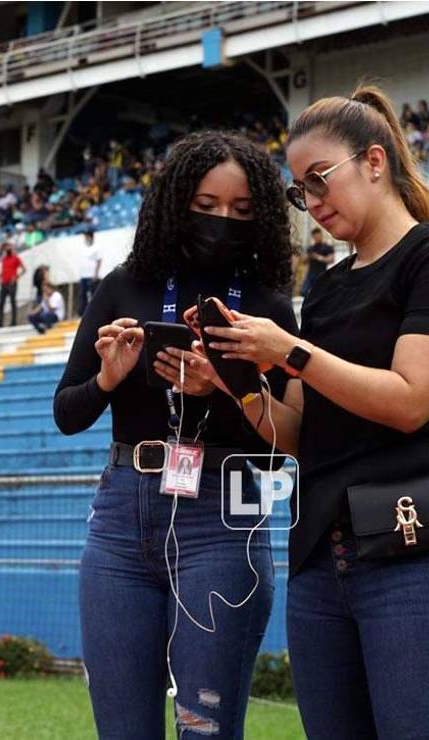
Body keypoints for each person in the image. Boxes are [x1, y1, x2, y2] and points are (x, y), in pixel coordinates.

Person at [192, 85, 429, 738]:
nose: (311, 203)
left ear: (373, 161)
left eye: (319, 180)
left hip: (416, 552)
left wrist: (291, 352)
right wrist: (235, 381)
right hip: (320, 564)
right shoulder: (327, 288)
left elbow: (410, 401)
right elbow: (294, 439)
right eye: (299, 190)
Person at [53, 130, 299, 739]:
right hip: (121, 517)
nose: (222, 221)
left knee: (205, 728)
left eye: (241, 211)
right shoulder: (123, 286)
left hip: (223, 519)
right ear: (175, 201)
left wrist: (224, 386)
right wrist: (108, 379)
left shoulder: (269, 306)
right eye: (207, 205)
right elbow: (67, 412)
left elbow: (284, 442)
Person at [300, 227, 335, 297]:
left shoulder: (327, 247)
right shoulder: (310, 248)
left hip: (321, 274)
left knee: (320, 293)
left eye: (318, 236)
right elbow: (303, 261)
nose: (316, 238)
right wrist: (308, 256)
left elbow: (331, 260)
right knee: (303, 291)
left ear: (321, 235)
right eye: (315, 236)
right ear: (313, 237)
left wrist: (318, 257)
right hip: (310, 274)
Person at [0, 243, 25, 327]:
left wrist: (16, 277)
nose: (8, 249)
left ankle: (13, 322)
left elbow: (24, 269)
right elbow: (3, 270)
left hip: (11, 283)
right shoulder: (3, 259)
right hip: (3, 283)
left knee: (13, 302)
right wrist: (0, 277)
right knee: (1, 303)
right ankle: (0, 322)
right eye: (6, 248)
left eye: (9, 247)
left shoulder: (16, 258)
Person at [79, 228, 101, 316]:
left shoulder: (96, 247)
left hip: (91, 275)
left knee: (93, 295)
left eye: (86, 236)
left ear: (90, 236)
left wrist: (95, 274)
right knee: (83, 296)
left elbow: (99, 261)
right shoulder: (84, 247)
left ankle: (95, 313)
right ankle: (84, 314)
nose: (85, 238)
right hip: (83, 275)